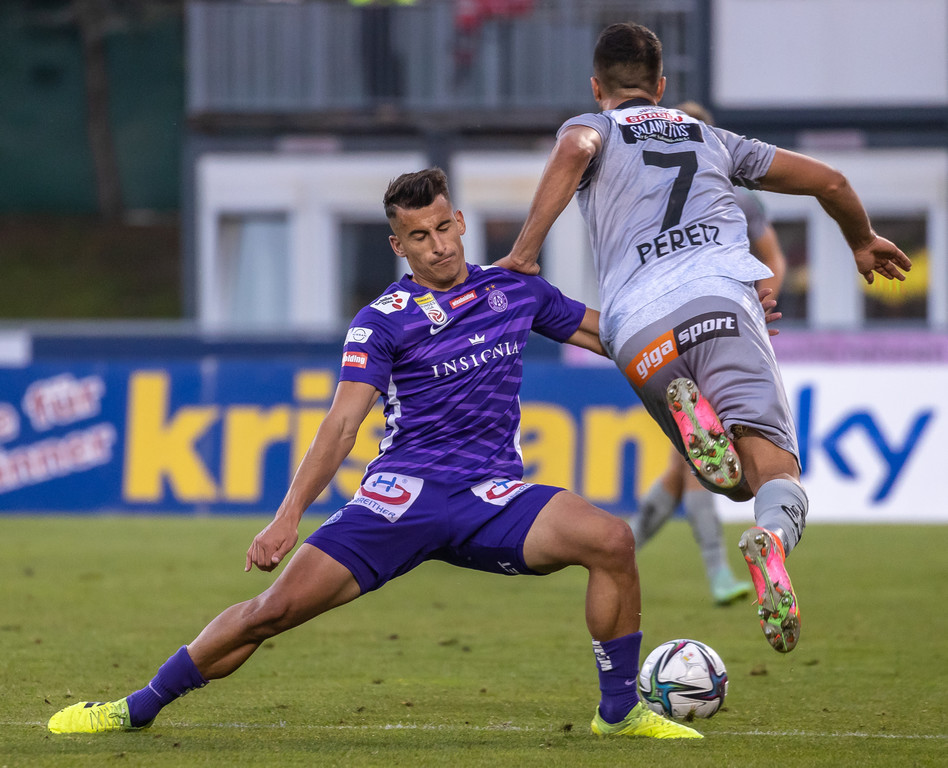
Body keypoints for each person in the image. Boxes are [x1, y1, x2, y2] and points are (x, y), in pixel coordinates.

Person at [47, 168, 702, 739]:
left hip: (489, 498)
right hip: (402, 498)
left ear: (460, 221)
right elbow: (341, 426)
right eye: (419, 236)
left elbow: (614, 338)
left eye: (444, 227)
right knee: (270, 612)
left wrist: (704, 356)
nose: (438, 245)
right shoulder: (382, 319)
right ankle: (134, 709)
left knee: (611, 541)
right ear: (398, 245)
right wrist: (286, 516)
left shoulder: (514, 291)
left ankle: (619, 712)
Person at [497, 23, 911, 654]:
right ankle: (772, 538)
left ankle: (702, 427)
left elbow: (577, 145)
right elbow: (829, 180)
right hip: (719, 303)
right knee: (771, 476)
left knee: (727, 480)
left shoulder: (595, 126)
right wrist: (861, 239)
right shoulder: (714, 138)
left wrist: (525, 254)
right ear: (662, 86)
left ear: (597, 87)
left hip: (635, 331)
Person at [631, 100, 789, 607]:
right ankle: (718, 571)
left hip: (662, 335)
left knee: (691, 459)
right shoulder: (733, 196)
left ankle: (622, 545)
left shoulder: (640, 196)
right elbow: (774, 257)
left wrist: (758, 299)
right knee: (710, 457)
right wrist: (758, 301)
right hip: (718, 328)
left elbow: (771, 260)